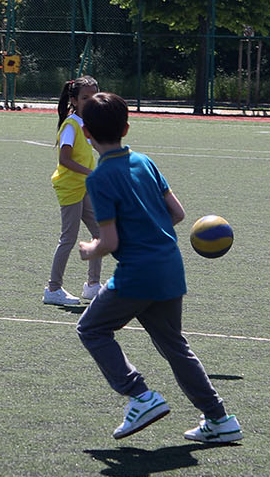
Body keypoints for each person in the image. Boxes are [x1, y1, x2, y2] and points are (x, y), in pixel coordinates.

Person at [74, 92, 241, 445]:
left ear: (86, 133)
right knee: (174, 346)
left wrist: (90, 249)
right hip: (169, 266)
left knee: (91, 329)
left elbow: (110, 242)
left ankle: (140, 395)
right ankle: (219, 418)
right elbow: (177, 214)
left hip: (137, 274)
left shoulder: (99, 178)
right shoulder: (145, 162)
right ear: (127, 127)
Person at [44, 74, 104, 306]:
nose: (90, 101)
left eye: (94, 97)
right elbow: (65, 160)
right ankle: (53, 289)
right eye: (85, 98)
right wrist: (93, 174)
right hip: (70, 187)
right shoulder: (71, 125)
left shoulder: (88, 124)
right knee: (68, 238)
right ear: (74, 100)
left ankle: (92, 286)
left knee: (100, 233)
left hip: (84, 187)